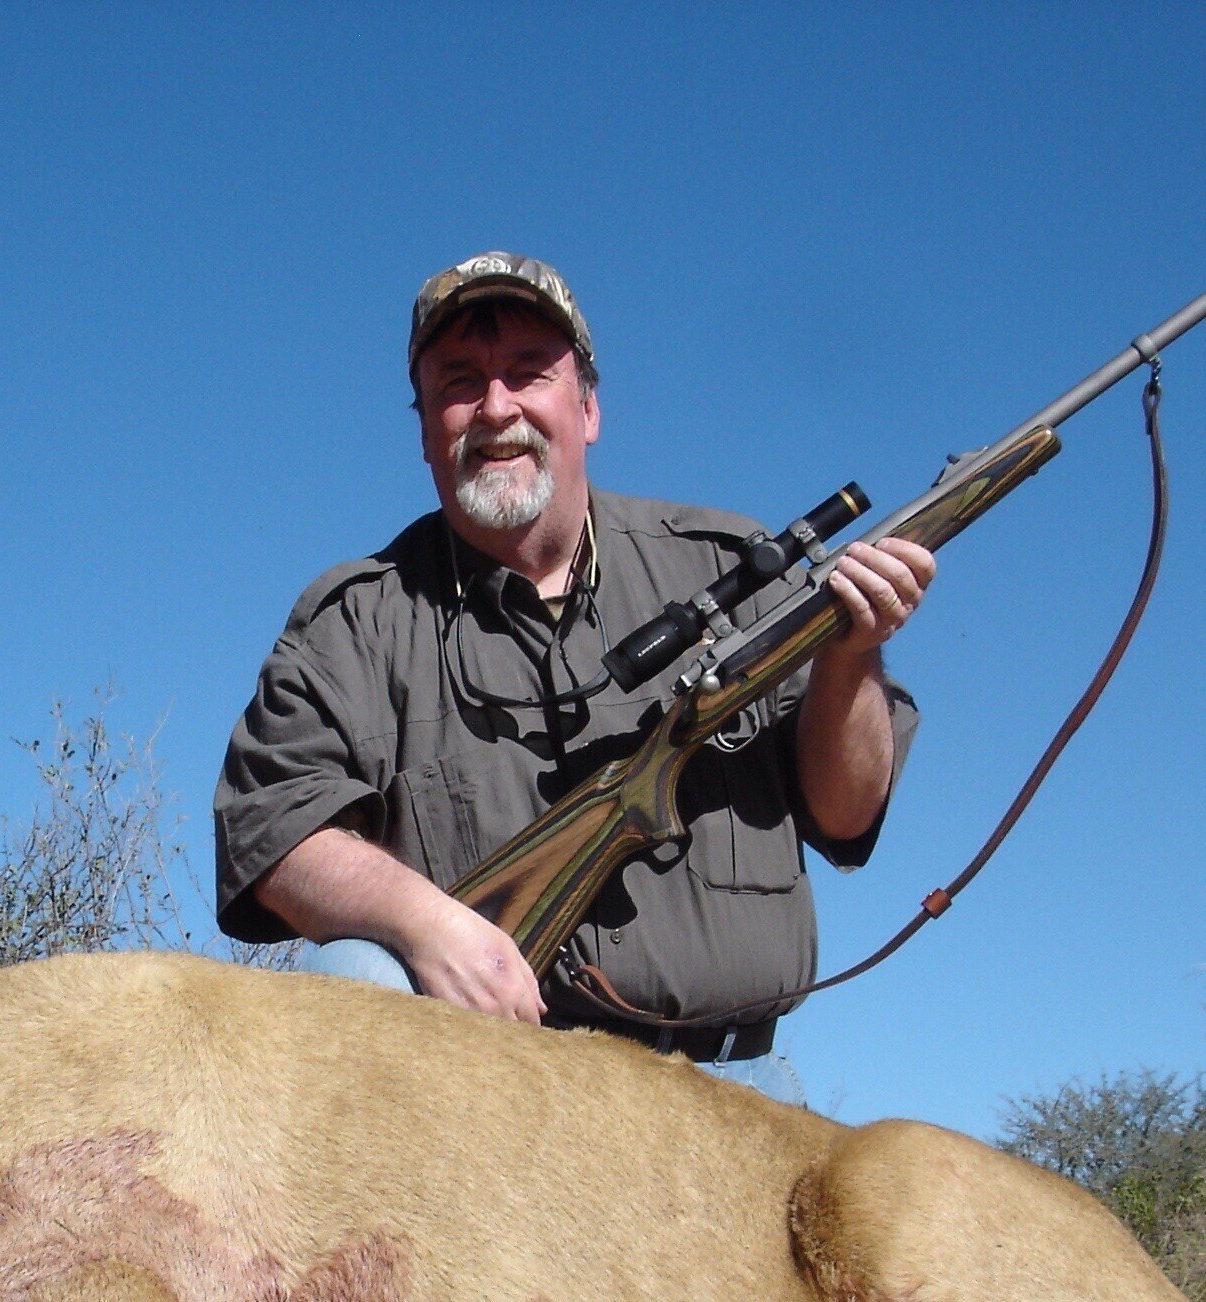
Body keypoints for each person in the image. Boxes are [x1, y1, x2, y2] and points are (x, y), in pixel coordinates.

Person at [213, 252, 934, 1101]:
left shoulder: (734, 563)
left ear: (587, 407)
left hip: (736, 1093)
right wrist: (426, 922)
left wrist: (852, 655)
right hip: (485, 1090)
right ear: (423, 430)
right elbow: (270, 833)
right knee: (356, 975)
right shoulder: (354, 621)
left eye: (528, 373)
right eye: (459, 381)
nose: (496, 409)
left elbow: (846, 812)